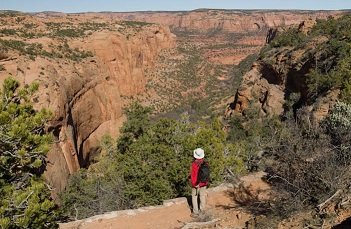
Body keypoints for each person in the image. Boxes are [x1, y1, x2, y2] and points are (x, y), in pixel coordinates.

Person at [189, 148, 209, 217]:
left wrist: (194, 184)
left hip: (196, 184)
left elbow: (193, 175)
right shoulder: (205, 163)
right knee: (202, 196)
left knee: (194, 196)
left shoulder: (194, 164)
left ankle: (195, 212)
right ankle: (202, 211)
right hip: (204, 183)